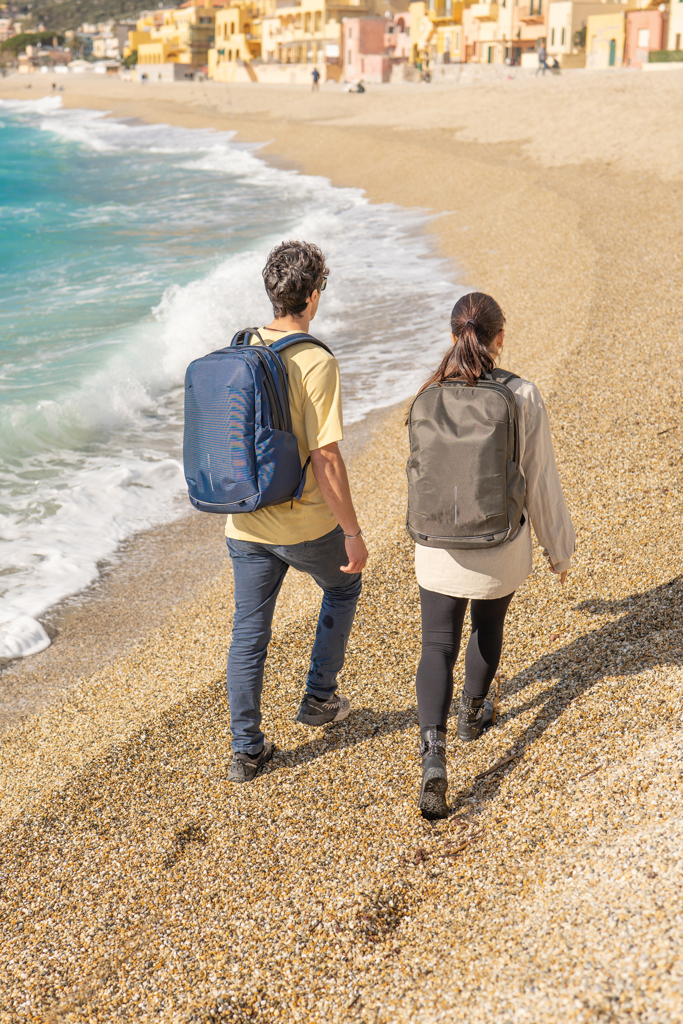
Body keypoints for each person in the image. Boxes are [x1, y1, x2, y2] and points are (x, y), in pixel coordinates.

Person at [409, 292, 575, 818]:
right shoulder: (521, 394)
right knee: (486, 625)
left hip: (435, 546)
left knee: (436, 643)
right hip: (498, 544)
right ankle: (473, 713)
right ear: (499, 337)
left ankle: (433, 754)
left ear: (454, 333)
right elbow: (540, 481)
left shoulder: (428, 393)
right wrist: (558, 549)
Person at [225, 241, 368, 783]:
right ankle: (318, 700)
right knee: (344, 585)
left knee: (248, 631)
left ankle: (247, 750)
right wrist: (352, 532)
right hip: (304, 523)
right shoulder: (315, 359)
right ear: (311, 297)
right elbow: (326, 458)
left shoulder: (242, 346)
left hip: (245, 519)